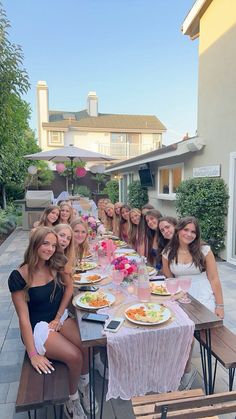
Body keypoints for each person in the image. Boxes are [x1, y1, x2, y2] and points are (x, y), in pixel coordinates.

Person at [8, 227, 97, 418]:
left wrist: (58, 316)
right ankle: (71, 400)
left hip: (58, 320)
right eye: (45, 243)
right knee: (75, 357)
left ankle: (84, 385)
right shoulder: (19, 276)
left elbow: (69, 287)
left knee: (87, 346)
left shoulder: (55, 264)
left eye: (54, 245)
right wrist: (32, 354)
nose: (49, 249)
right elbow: (23, 319)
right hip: (38, 328)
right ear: (35, 244)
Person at [162, 216, 224, 390]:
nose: (189, 234)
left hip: (203, 294)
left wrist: (220, 306)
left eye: (193, 232)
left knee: (187, 330)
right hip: (180, 294)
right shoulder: (168, 252)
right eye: (186, 230)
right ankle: (174, 367)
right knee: (170, 326)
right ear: (179, 230)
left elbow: (214, 278)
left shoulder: (204, 250)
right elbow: (169, 278)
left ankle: (187, 372)